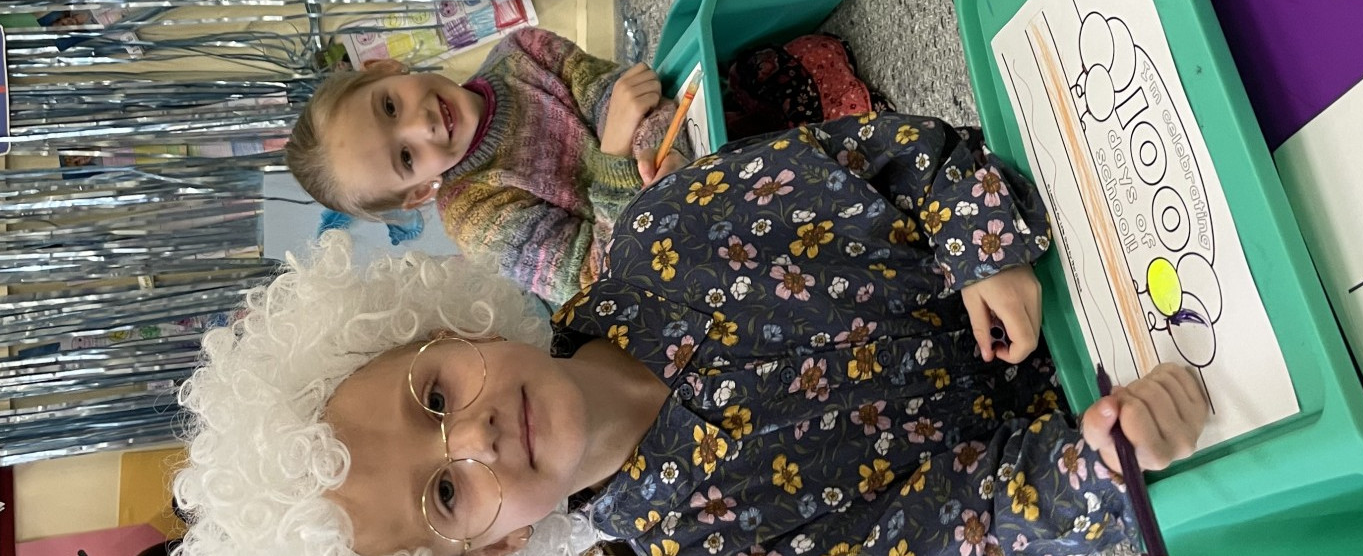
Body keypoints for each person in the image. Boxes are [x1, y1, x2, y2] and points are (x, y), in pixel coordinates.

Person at [177, 108, 1209, 556]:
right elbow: (959, 530)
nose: (476, 439)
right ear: (494, 543)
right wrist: (1095, 463)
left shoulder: (672, 224)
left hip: (1098, 220)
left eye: (434, 395)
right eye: (444, 491)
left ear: (448, 326)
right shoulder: (716, 543)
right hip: (1151, 419)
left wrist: (979, 241)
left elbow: (897, 155)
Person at [288, 26, 690, 305]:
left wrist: (654, 147)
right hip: (678, 256)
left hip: (688, 156)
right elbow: (601, 285)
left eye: (390, 106)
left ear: (385, 68)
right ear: (417, 193)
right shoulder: (475, 219)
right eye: (406, 157)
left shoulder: (525, 50)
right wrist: (619, 155)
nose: (421, 124)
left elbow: (625, 95)